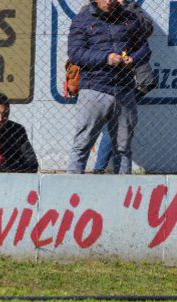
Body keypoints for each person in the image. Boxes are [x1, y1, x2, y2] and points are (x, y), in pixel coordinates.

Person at [66, 0, 151, 174]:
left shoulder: (130, 18)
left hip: (125, 90)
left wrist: (133, 59)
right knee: (82, 145)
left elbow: (145, 49)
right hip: (94, 88)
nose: (110, 1)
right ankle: (70, 192)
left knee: (123, 148)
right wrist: (106, 58)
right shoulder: (82, 20)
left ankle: (123, 194)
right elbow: (75, 54)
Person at [91, 0, 156, 173]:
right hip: (102, 78)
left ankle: (101, 168)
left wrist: (126, 7)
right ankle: (104, 168)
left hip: (131, 80)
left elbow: (147, 30)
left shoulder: (131, 9)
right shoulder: (92, 11)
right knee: (113, 124)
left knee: (116, 122)